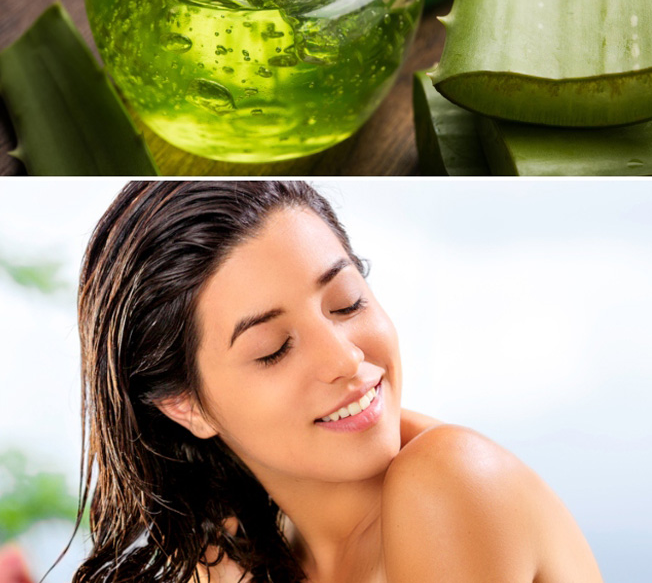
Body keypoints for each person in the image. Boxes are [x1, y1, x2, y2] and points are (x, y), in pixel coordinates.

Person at [71, 180, 604, 583]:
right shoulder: (233, 556)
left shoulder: (450, 480)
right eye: (273, 350)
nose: (346, 359)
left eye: (347, 302)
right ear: (186, 407)